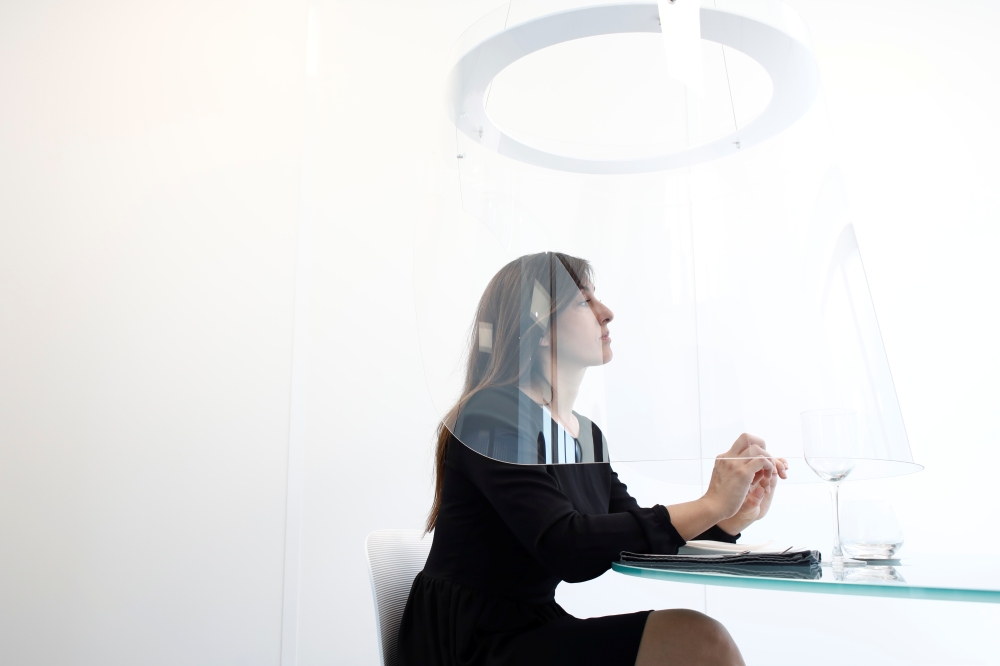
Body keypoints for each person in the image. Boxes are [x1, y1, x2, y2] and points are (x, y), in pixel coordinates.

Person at [399, 252, 787, 666]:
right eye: (584, 302)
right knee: (701, 640)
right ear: (540, 327)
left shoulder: (585, 435)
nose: (607, 313)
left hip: (529, 629)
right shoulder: (492, 414)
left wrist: (728, 519)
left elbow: (636, 540)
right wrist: (709, 502)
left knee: (700, 639)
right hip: (471, 644)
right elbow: (566, 546)